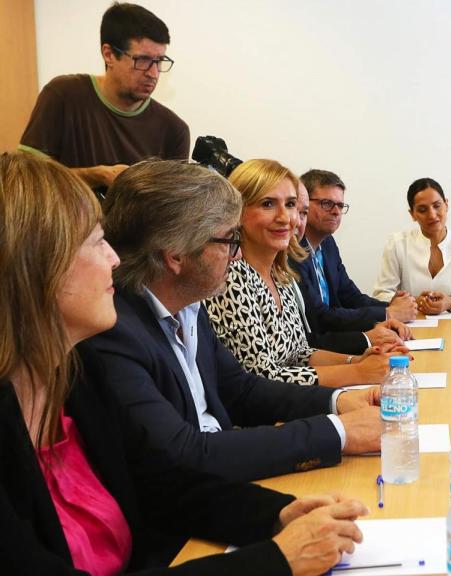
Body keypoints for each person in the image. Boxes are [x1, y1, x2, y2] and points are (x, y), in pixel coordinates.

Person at [0, 151, 368, 575]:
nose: (115, 259)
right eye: (96, 242)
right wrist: (278, 560)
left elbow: (158, 486)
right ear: (39, 266)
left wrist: (279, 514)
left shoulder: (71, 379)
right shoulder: (98, 351)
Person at [87, 160, 382, 482]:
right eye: (229, 241)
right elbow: (183, 453)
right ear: (175, 256)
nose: (237, 255)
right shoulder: (115, 333)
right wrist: (337, 431)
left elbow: (241, 390)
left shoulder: (188, 307)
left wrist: (339, 400)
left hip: (222, 481)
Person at [206, 159, 399, 387]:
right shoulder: (231, 277)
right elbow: (261, 378)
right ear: (237, 212)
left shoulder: (282, 275)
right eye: (267, 204)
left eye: (290, 205)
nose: (285, 218)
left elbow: (299, 353)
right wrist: (358, 373)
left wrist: (357, 360)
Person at [18, 3, 188, 191]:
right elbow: (25, 179)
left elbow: (173, 212)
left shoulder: (174, 131)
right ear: (108, 55)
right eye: (143, 60)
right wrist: (94, 175)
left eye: (159, 61)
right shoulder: (62, 96)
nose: (154, 73)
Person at [292, 176, 412, 354]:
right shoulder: (291, 252)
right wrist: (387, 314)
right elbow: (319, 316)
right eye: (327, 203)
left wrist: (388, 307)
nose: (335, 211)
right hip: (317, 348)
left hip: (333, 342)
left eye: (340, 205)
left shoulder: (328, 244)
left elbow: (350, 295)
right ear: (303, 205)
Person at [372, 177, 451, 314]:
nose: (432, 215)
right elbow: (381, 295)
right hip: (411, 324)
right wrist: (413, 302)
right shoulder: (397, 244)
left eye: (437, 206)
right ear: (412, 214)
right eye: (422, 209)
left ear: (446, 205)